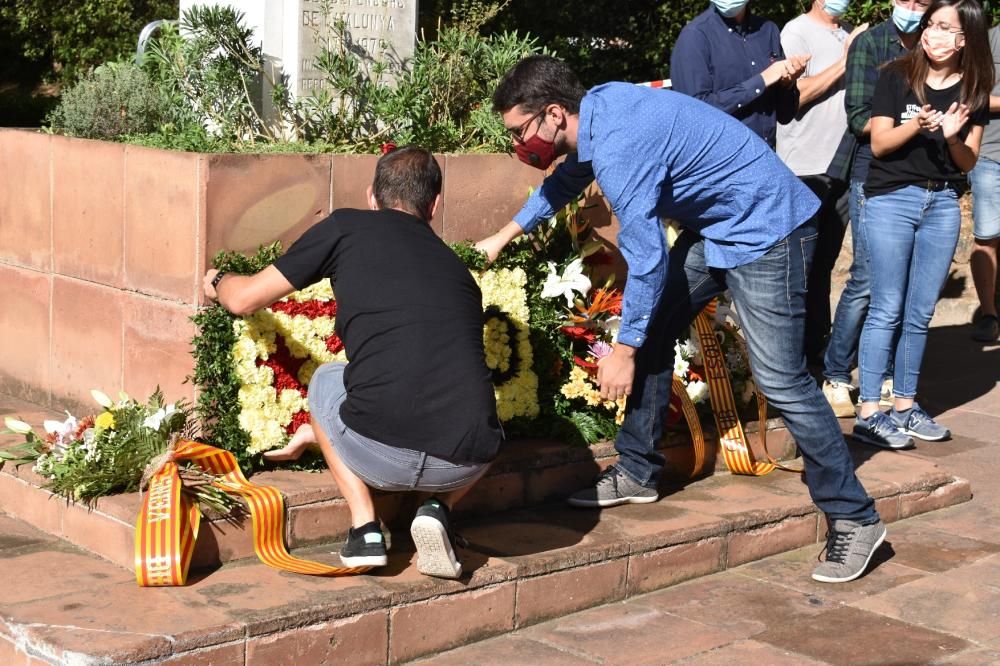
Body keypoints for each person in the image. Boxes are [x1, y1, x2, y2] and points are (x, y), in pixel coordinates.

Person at [477, 55, 884, 584]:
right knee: (654, 322)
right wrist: (503, 235)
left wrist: (622, 355)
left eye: (519, 131)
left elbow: (645, 262)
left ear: (554, 113)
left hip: (767, 231)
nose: (517, 144)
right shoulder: (597, 110)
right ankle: (637, 469)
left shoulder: (621, 146)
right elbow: (567, 180)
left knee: (782, 380)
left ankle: (855, 517)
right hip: (716, 228)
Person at [202, 145, 502, 579]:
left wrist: (217, 279)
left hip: (377, 454)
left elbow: (245, 298)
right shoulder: (458, 270)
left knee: (327, 376)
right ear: (434, 206)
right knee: (486, 411)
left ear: (371, 197)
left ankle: (365, 530)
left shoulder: (346, 227)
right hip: (462, 464)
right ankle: (437, 509)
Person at [853, 0, 993, 448]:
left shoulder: (974, 89)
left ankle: (905, 405)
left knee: (919, 312)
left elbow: (968, 159)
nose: (933, 34)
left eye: (945, 28)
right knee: (886, 306)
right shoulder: (896, 74)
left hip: (944, 202)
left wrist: (952, 136)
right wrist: (919, 126)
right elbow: (878, 143)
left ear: (964, 38)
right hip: (892, 199)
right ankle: (870, 410)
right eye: (931, 25)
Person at [822, 0, 932, 418]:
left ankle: (885, 375)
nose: (912, 8)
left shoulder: (932, 43)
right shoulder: (872, 42)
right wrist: (911, 124)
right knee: (868, 278)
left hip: (920, 170)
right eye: (906, 0)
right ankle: (836, 374)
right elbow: (859, 118)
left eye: (921, 2)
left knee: (902, 281)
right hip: (874, 169)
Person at [777, 1, 868, 366]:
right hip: (804, 168)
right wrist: (847, 60)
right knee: (798, 269)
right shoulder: (795, 31)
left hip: (843, 167)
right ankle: (790, 361)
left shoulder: (847, 34)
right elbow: (794, 97)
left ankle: (816, 353)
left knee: (824, 267)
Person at [670, 0, 810, 147]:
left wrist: (786, 83)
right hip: (720, 163)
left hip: (765, 156)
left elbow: (785, 115)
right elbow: (693, 113)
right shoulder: (695, 36)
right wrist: (762, 80)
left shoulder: (768, 31)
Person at [969, 24, 1000, 343]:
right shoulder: (987, 41)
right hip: (990, 154)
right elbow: (970, 96)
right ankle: (988, 315)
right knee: (988, 236)